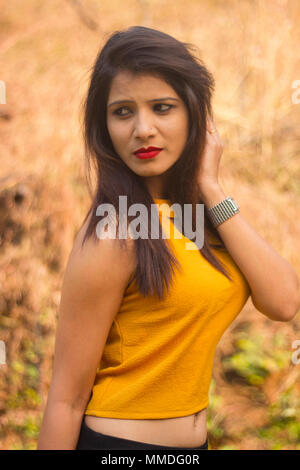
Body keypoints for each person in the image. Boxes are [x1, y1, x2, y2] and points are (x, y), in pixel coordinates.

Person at [37, 26, 300, 451]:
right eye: (123, 112)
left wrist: (212, 188)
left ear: (197, 116)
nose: (143, 129)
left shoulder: (200, 217)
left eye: (162, 107)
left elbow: (284, 301)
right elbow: (66, 400)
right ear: (104, 126)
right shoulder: (114, 231)